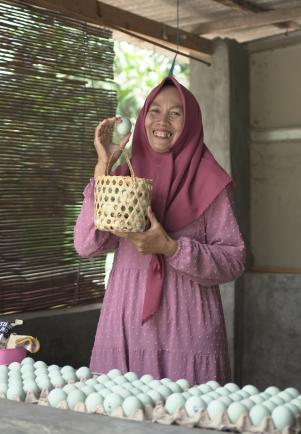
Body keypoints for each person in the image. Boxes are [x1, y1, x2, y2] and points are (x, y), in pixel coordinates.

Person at [74, 76, 245, 385]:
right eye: (154, 110)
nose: (162, 121)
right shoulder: (125, 174)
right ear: (143, 117)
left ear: (190, 122)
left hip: (187, 323)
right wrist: (103, 168)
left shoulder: (210, 181)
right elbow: (87, 245)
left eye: (176, 113)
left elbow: (234, 260)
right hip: (126, 318)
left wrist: (171, 248)